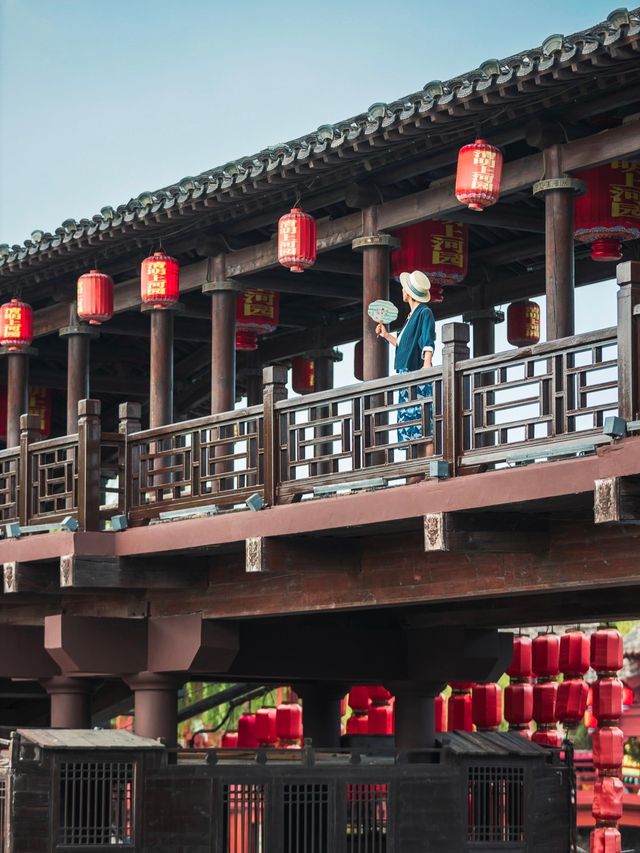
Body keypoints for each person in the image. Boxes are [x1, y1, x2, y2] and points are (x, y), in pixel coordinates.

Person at [374, 269, 436, 481]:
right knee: (412, 427)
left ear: (409, 293)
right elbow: (403, 345)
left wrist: (426, 365)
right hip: (405, 376)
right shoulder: (411, 315)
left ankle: (426, 470)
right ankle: (416, 471)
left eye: (404, 287)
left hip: (416, 375)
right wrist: (386, 335)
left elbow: (428, 340)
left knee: (423, 423)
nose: (402, 290)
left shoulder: (424, 312)